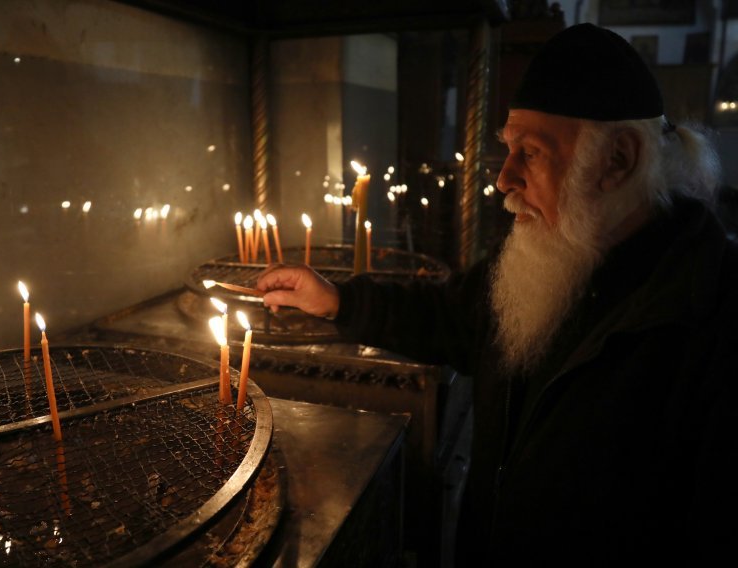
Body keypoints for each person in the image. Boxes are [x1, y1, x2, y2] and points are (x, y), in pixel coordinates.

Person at [257, 24, 738, 565]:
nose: (504, 178)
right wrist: (338, 301)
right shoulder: (563, 249)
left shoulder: (710, 317)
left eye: (531, 153)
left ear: (617, 160)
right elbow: (452, 316)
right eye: (509, 150)